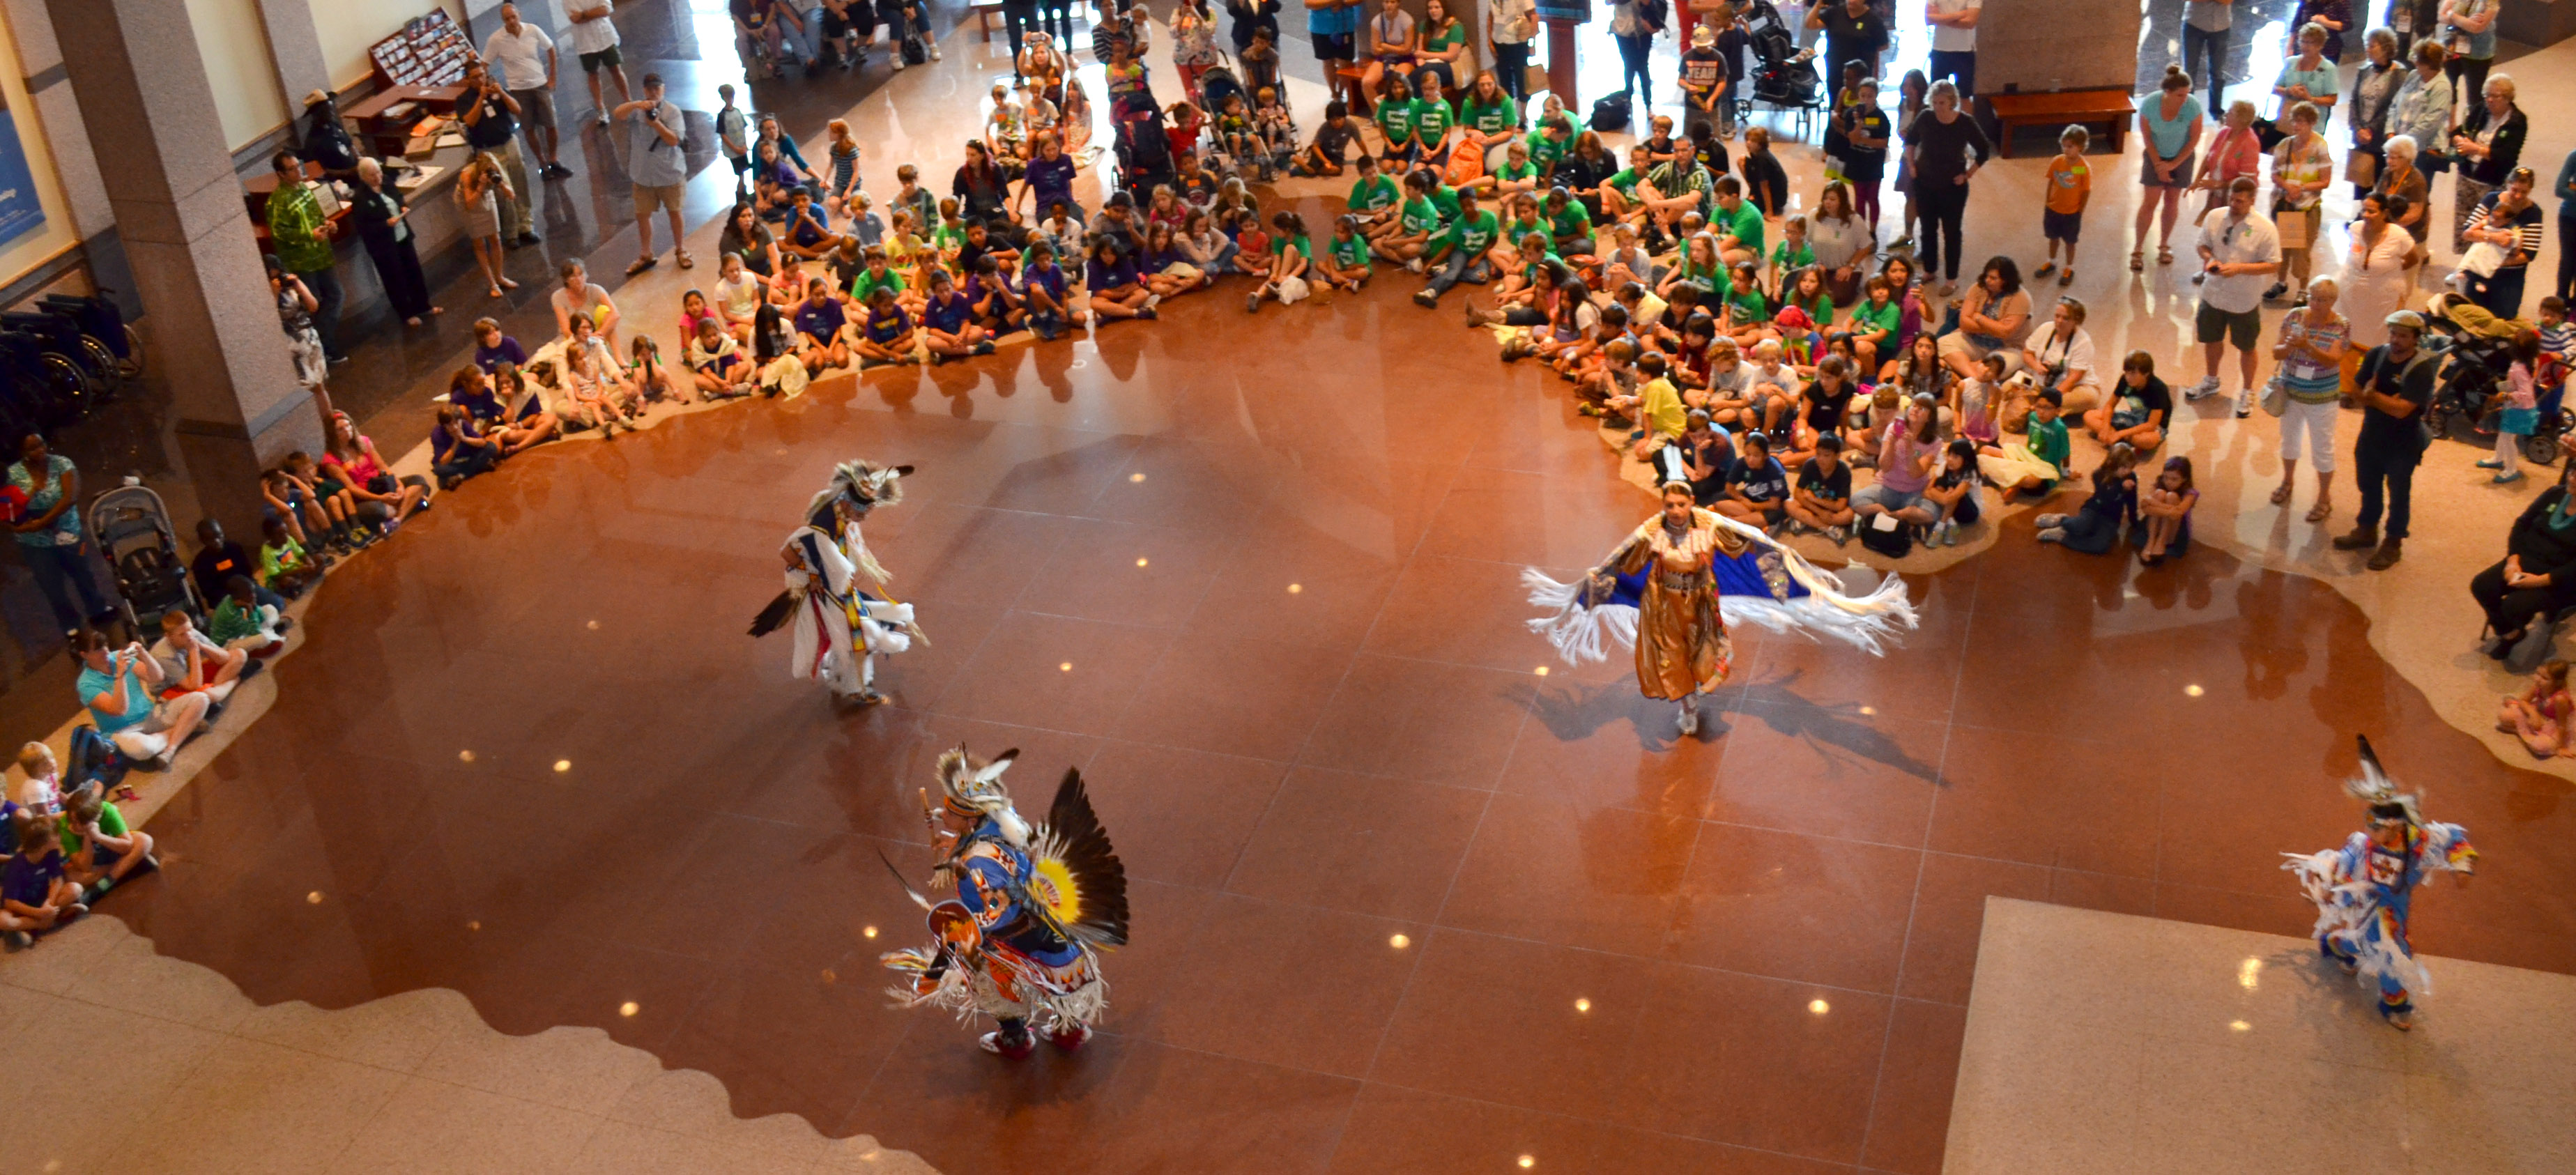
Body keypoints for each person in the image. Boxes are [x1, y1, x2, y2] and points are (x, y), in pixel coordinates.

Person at [1525, 478, 1917, 736]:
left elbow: (1750, 550)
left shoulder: (1712, 527)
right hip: (1664, 609)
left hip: (1700, 607)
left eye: (1680, 504)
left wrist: (1783, 583)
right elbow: (1625, 564)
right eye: (1668, 504)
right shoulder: (1651, 532)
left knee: (1701, 660)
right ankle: (1688, 706)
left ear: (1692, 503)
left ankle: (1693, 696)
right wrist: (1596, 585)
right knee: (1672, 661)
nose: (1673, 511)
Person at [881, 744, 1127, 1058]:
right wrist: (957, 842)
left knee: (995, 986)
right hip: (1041, 920)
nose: (944, 813)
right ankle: (1069, 1030)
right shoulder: (998, 823)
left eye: (951, 810)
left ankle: (1015, 1039)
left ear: (970, 817)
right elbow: (989, 847)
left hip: (1011, 935)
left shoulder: (978, 866)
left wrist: (966, 932)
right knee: (1056, 978)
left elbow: (997, 911)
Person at [2284, 739, 2476, 1031]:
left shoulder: (2417, 841)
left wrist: (2462, 865)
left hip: (2396, 907)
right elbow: (2341, 862)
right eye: (2369, 824)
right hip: (2369, 904)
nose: (2369, 831)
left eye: (2376, 827)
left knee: (2369, 942)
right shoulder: (2363, 844)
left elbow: (2452, 837)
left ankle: (2338, 946)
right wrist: (2328, 889)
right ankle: (2395, 1004)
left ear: (2395, 827)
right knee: (2391, 952)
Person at [752, 461, 918, 703]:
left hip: (841, 591)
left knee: (856, 637)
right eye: (861, 513)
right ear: (848, 504)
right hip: (830, 595)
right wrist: (811, 576)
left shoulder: (839, 512)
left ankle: (844, 678)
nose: (863, 518)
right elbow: (788, 552)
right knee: (858, 637)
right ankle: (856, 688)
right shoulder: (821, 528)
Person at [2335, 309, 2436, 570]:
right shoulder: (2376, 355)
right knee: (2368, 484)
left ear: (2415, 339)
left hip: (2403, 443)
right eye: (2393, 333)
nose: (2396, 340)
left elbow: (2403, 410)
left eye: (2403, 336)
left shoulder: (2421, 369)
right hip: (2371, 436)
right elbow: (2355, 390)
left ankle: (2393, 542)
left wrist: (2373, 396)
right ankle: (2366, 529)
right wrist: (2381, 399)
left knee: (2399, 493)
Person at [8, 432, 118, 637]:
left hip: (68, 533)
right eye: (32, 448)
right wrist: (25, 512)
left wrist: (43, 521)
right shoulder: (13, 474)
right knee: (52, 588)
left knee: (84, 575)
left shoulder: (62, 464)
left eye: (41, 444)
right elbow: (9, 508)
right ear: (23, 452)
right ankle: (71, 625)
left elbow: (70, 497)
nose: (40, 450)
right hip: (35, 543)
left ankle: (98, 610)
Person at [2186, 178, 2281, 414]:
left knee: (2247, 347)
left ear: (2252, 200)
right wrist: (2210, 258)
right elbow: (2202, 245)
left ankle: (2248, 391)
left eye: (2240, 200)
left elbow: (2273, 265)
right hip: (2213, 294)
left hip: (2244, 300)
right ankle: (2211, 380)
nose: (2234, 204)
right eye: (2231, 198)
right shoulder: (2216, 216)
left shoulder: (2265, 228)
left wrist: (2239, 269)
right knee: (2211, 339)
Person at [2473, 460, 2576, 660]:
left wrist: (2538, 581)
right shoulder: (2555, 493)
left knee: (2514, 606)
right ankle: (2511, 633)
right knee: (2481, 586)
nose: (2573, 479)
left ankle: (2508, 634)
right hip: (2526, 560)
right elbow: (2522, 524)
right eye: (2573, 472)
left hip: (2559, 580)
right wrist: (2513, 561)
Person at [72, 628, 211, 767]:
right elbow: (118, 710)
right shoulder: (85, 684)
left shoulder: (118, 657)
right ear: (84, 655)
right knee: (143, 750)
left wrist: (144, 654)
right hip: (122, 730)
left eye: (105, 645)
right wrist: (120, 675)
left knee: (201, 699)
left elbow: (157, 677)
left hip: (150, 715)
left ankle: (170, 746)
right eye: (98, 649)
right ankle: (185, 728)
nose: (106, 652)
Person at [2272, 275, 2350, 519]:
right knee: (2289, 440)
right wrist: (2289, 346)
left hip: (2322, 397)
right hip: (2291, 392)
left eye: (2323, 300)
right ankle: (2287, 481)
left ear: (2333, 301)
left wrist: (2307, 346)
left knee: (2322, 448)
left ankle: (2324, 496)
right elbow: (2276, 353)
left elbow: (2334, 359)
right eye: (2314, 298)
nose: (2316, 304)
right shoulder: (2294, 316)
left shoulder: (2341, 325)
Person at [1902, 79, 1989, 291]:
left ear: (1952, 102)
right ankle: (1930, 270)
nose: (1938, 107)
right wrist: (1912, 166)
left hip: (1953, 187)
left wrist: (1968, 174)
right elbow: (1910, 140)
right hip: (1925, 183)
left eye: (1942, 102)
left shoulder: (1965, 122)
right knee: (1928, 229)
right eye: (1935, 102)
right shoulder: (1925, 117)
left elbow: (1984, 149)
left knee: (1952, 233)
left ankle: (1951, 278)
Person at [263, 151, 344, 364]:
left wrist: (329, 225)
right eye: (292, 168)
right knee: (313, 304)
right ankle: (326, 348)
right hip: (302, 262)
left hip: (321, 255)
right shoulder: (277, 201)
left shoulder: (306, 190)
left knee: (336, 296)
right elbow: (280, 233)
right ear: (281, 174)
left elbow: (318, 216)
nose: (299, 170)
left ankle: (323, 341)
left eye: (298, 165)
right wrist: (309, 235)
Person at [2342, 192, 2423, 391]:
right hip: (2353, 298)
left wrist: (2387, 272)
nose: (2366, 215)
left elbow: (2412, 259)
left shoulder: (2399, 236)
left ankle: (2372, 387)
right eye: (2364, 210)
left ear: (2384, 213)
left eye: (2372, 211)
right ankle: (2347, 388)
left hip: (2384, 298)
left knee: (2379, 341)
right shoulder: (2356, 229)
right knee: (2349, 338)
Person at [615, 74, 691, 277]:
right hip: (642, 174)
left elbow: (674, 140)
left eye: (657, 88)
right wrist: (636, 104)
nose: (653, 92)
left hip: (669, 173)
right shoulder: (637, 110)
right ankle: (646, 254)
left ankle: (680, 249)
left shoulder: (672, 112)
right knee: (642, 215)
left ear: (664, 89)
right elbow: (618, 114)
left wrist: (657, 124)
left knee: (674, 212)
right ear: (644, 90)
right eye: (649, 89)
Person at [348, 158, 439, 327]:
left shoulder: (387, 182)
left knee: (414, 272)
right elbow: (364, 227)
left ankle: (423, 306)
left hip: (402, 236)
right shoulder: (360, 198)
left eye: (378, 172)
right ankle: (406, 314)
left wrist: (402, 207)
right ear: (363, 177)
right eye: (372, 175)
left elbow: (398, 197)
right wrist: (385, 224)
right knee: (395, 279)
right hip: (384, 246)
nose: (377, 177)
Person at [458, 61, 538, 249]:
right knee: (503, 190)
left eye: (482, 75)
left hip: (509, 142)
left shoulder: (497, 91)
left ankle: (526, 225)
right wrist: (481, 98)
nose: (480, 79)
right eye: (475, 77)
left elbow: (517, 110)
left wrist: (501, 93)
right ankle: (511, 233)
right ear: (467, 80)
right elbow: (470, 121)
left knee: (519, 182)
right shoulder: (463, 100)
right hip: (488, 150)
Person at [484, 5, 569, 178]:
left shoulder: (532, 30)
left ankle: (554, 160)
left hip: (539, 84)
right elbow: (484, 64)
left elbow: (550, 48)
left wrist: (552, 77)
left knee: (551, 124)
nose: (511, 21)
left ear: (519, 15)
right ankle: (542, 164)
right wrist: (492, 84)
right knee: (528, 128)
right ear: (503, 21)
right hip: (519, 90)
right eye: (507, 19)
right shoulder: (496, 39)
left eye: (513, 17)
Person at [2133, 66, 2203, 272]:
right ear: (2168, 93)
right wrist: (2158, 164)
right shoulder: (2150, 104)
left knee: (2172, 201)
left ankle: (2164, 245)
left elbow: (2194, 139)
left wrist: (2173, 165)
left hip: (2181, 158)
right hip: (2156, 155)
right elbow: (2147, 136)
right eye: (2180, 95)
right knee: (2150, 202)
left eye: (2188, 94)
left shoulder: (2192, 107)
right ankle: (2137, 249)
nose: (2185, 99)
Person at [2448, 74, 2526, 252]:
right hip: (2467, 176)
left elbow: (2506, 156)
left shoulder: (2517, 121)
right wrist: (2458, 140)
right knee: (2464, 222)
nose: (2489, 100)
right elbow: (2460, 131)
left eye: (2495, 96)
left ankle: (2480, 265)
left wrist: (2475, 149)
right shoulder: (2480, 109)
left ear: (2508, 98)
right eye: (2487, 95)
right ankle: (2464, 266)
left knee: (2488, 225)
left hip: (2491, 183)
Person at [2267, 102, 2333, 304]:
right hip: (2286, 205)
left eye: (2302, 122)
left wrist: (2301, 188)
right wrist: (2288, 187)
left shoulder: (2320, 146)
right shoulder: (2285, 145)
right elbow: (2274, 173)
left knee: (2302, 253)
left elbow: (2325, 181)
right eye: (2295, 121)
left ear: (2312, 123)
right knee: (2283, 249)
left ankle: (2303, 290)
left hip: (2307, 208)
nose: (2297, 125)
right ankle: (2281, 283)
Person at [2460, 165, 2543, 318]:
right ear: (2507, 184)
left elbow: (2529, 254)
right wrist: (2493, 238)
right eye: (2515, 190)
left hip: (2509, 277)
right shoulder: (2491, 200)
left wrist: (2495, 262)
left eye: (2524, 192)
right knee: (2471, 315)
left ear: (2530, 190)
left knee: (2503, 318)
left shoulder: (2534, 213)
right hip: (2479, 272)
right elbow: (2467, 233)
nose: (2518, 196)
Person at [2034, 443, 2138, 553]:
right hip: (2094, 509)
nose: (2127, 471)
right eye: (2124, 467)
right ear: (2112, 463)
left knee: (2100, 546)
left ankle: (2062, 536)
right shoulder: (2099, 474)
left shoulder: (2131, 477)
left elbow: (2132, 500)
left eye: (2130, 468)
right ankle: (2061, 520)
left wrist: (2134, 521)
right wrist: (2122, 487)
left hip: (2111, 519)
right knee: (2080, 526)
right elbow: (2105, 498)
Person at [1, 820, 84, 947]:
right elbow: (10, 902)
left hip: (43, 900)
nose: (59, 836)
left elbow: (58, 880)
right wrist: (38, 913)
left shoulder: (52, 853)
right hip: (23, 908)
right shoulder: (17, 865)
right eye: (56, 834)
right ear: (43, 843)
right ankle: (44, 923)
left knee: (75, 889)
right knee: (3, 920)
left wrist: (49, 902)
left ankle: (33, 925)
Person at [2032, 125, 2092, 288]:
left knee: (2070, 242)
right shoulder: (2057, 161)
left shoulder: (2082, 168)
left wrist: (2080, 211)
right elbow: (2051, 181)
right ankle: (2051, 262)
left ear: (2080, 146)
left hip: (2072, 213)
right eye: (2064, 146)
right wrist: (2047, 202)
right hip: (2053, 209)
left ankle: (2069, 267)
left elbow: (2086, 190)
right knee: (2053, 237)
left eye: (2070, 146)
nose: (2066, 149)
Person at [2348, 28, 2403, 190]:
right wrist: (2357, 128)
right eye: (2367, 45)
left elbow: (2393, 106)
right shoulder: (2364, 71)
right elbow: (2354, 101)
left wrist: (2370, 129)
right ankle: (2362, 211)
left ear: (2386, 48)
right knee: (2361, 178)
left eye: (2372, 46)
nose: (2368, 49)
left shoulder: (2399, 74)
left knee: (2380, 180)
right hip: (2361, 135)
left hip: (2380, 135)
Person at [457, 151, 515, 300]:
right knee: (479, 244)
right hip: (471, 203)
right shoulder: (468, 175)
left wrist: (501, 184)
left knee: (495, 238)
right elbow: (470, 204)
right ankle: (492, 283)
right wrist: (481, 185)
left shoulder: (495, 173)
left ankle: (500, 276)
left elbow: (511, 195)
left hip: (487, 198)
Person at [564, 0, 633, 124]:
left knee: (616, 70)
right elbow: (575, 18)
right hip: (585, 41)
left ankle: (629, 102)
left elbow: (606, 9)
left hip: (605, 37)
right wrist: (594, 12)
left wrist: (584, 14)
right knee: (593, 74)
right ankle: (601, 110)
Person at [1784, 432, 1855, 542]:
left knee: (1849, 515)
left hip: (1830, 507)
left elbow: (1840, 506)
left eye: (1826, 455)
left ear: (1838, 456)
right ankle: (1829, 528)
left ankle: (1805, 520)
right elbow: (1797, 493)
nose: (1821, 459)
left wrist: (1814, 499)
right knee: (1788, 504)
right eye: (1818, 454)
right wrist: (1819, 511)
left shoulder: (1844, 472)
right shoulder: (1810, 465)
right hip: (1811, 506)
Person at [1805, 0, 1887, 89]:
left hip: (1859, 74)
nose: (1852, 1)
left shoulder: (1874, 20)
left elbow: (1883, 45)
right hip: (1835, 70)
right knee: (1835, 100)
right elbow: (1811, 25)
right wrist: (1818, 5)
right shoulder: (1835, 12)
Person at [2134, 455, 2198, 566]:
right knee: (2160, 493)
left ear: (2184, 479)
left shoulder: (2191, 493)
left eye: (2174, 479)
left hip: (2174, 531)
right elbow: (2144, 507)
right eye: (2166, 477)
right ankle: (2151, 540)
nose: (2168, 482)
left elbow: (2177, 514)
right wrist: (2169, 510)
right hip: (2155, 524)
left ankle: (2162, 541)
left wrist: (2154, 504)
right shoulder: (2159, 485)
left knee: (2172, 497)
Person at [552, 259, 622, 348]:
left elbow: (615, 314)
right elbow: (566, 330)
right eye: (573, 276)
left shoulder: (595, 289)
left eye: (581, 274)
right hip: (574, 339)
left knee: (606, 313)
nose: (578, 280)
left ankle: (619, 359)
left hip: (595, 335)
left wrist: (597, 335)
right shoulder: (558, 297)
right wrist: (585, 340)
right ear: (566, 280)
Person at [2179, 0, 2230, 113]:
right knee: (2189, 71)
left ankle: (2216, 111)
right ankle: (2186, 110)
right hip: (2193, 23)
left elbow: (2227, 1)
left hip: (2222, 26)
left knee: (2217, 72)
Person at [1925, 0, 1980, 98]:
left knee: (1965, 96)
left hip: (1964, 50)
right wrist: (1960, 14)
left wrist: (1941, 19)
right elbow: (1929, 19)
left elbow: (1970, 22)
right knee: (1937, 95)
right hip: (1940, 49)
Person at [1609, 0, 1659, 107]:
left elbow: (1647, 3)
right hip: (1621, 30)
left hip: (1643, 30)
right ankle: (1628, 100)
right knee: (1629, 66)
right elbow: (1607, 2)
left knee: (1643, 67)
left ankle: (1648, 103)